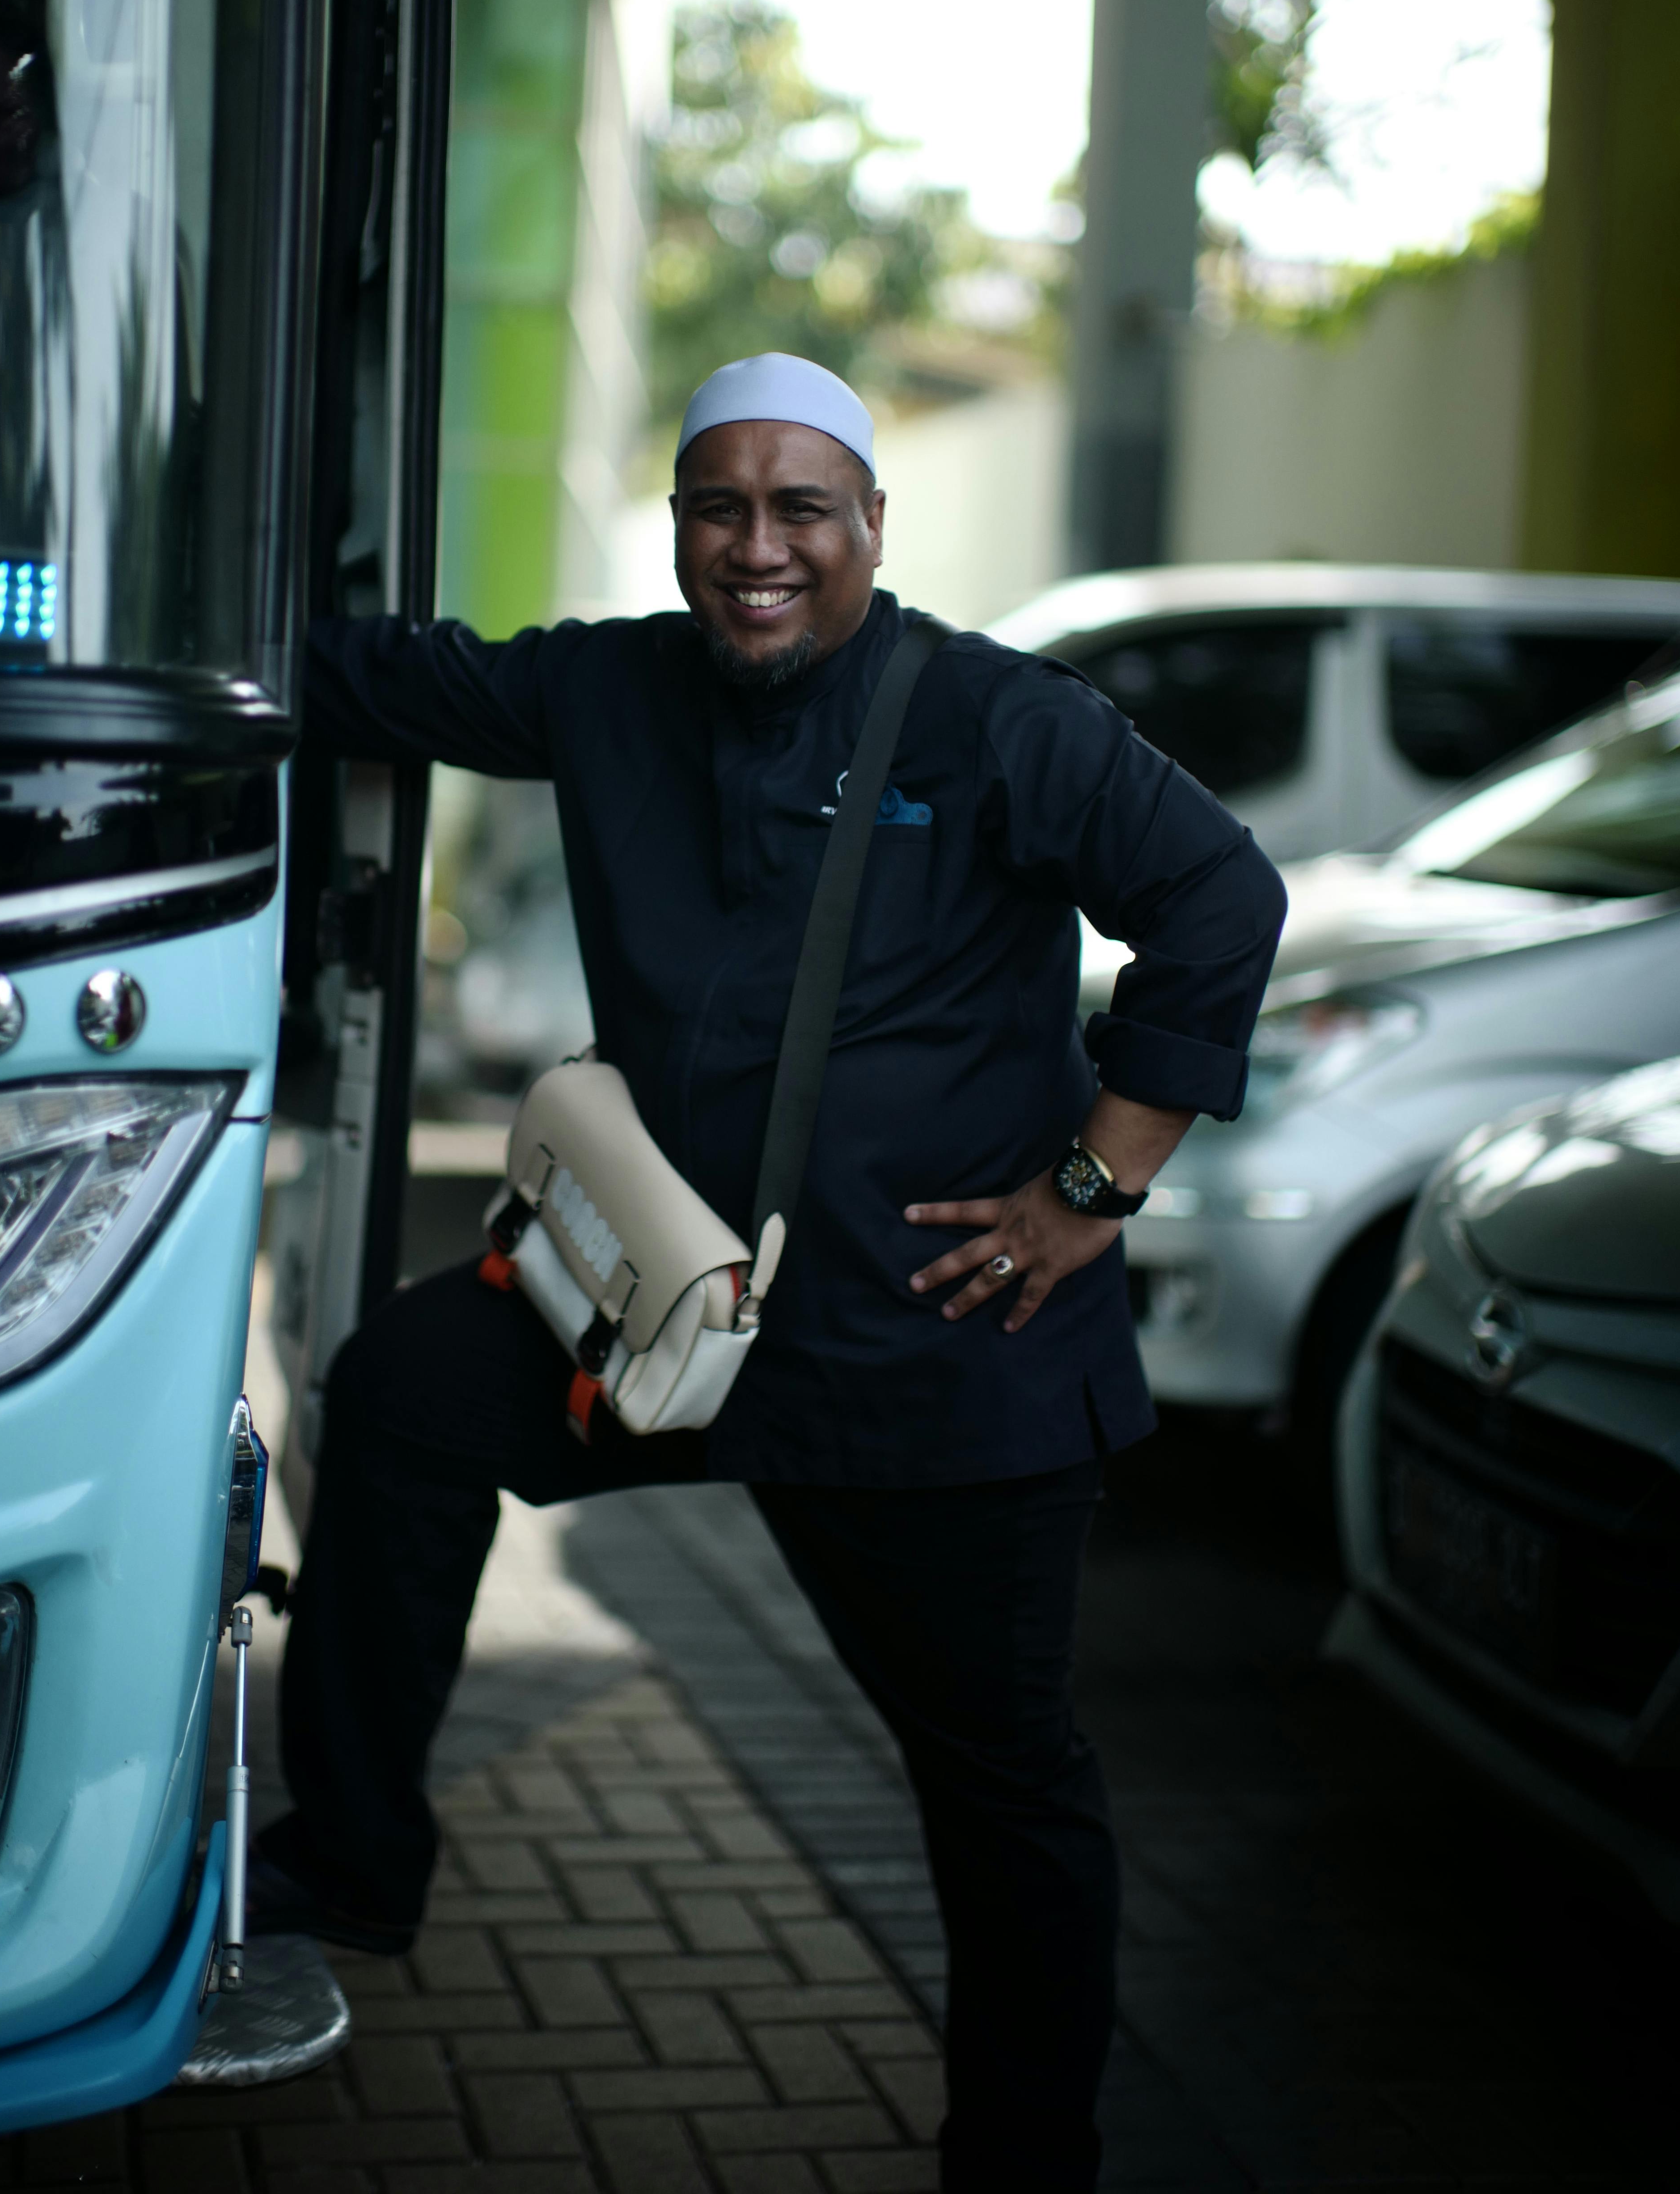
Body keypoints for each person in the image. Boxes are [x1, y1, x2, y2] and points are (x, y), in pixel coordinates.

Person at [253, 351, 1286, 2190]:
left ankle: (1025, 2154)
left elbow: (1218, 898)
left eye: (801, 507)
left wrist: (1090, 1189)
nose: (756, 547)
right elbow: (362, 677)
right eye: (718, 506)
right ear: (676, 526)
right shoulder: (605, 685)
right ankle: (345, 1865)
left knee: (1002, 1789)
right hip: (665, 1312)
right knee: (405, 1393)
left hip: (938, 1353)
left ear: (871, 526)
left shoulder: (992, 719)